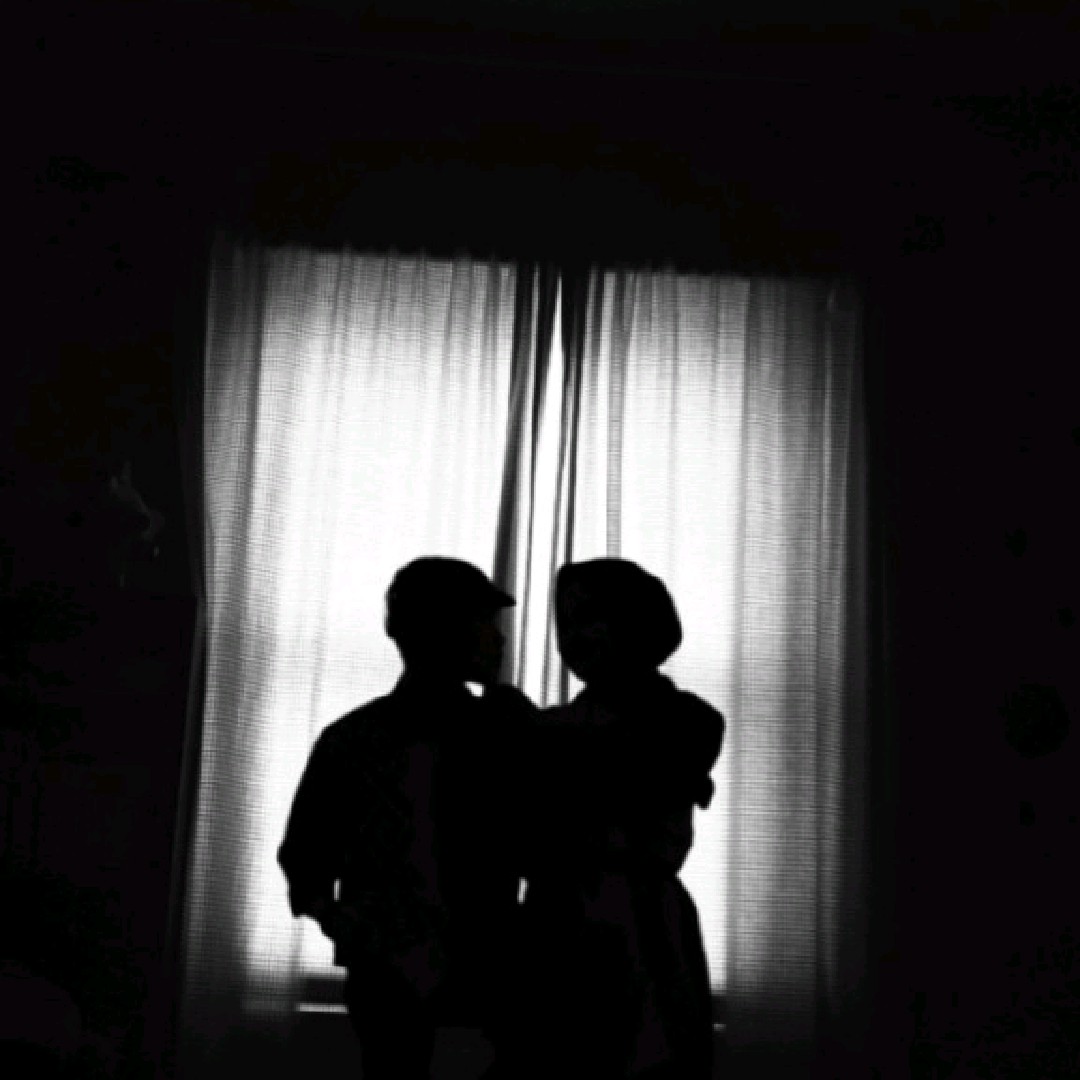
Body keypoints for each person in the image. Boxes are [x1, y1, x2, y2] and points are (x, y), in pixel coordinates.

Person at [277, 557, 535, 1080]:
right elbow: (306, 858)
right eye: (483, 622)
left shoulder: (499, 730)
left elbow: (542, 840)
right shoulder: (354, 741)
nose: (499, 638)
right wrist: (352, 927)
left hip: (481, 967)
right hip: (397, 976)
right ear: (442, 630)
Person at [513, 558, 725, 1080]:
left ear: (636, 622)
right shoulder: (545, 729)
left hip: (642, 931)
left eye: (590, 618)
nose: (572, 637)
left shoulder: (689, 719)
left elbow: (637, 771)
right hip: (556, 928)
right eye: (565, 623)